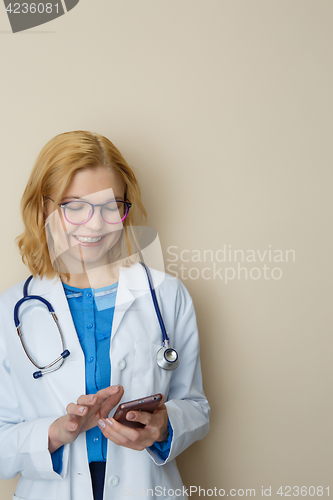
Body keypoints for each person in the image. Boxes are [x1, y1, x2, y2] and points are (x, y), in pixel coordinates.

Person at [0, 130, 210, 500]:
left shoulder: (166, 295)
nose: (95, 224)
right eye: (75, 206)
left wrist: (163, 427)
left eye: (111, 206)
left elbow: (196, 408)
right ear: (43, 207)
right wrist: (54, 433)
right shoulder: (12, 309)